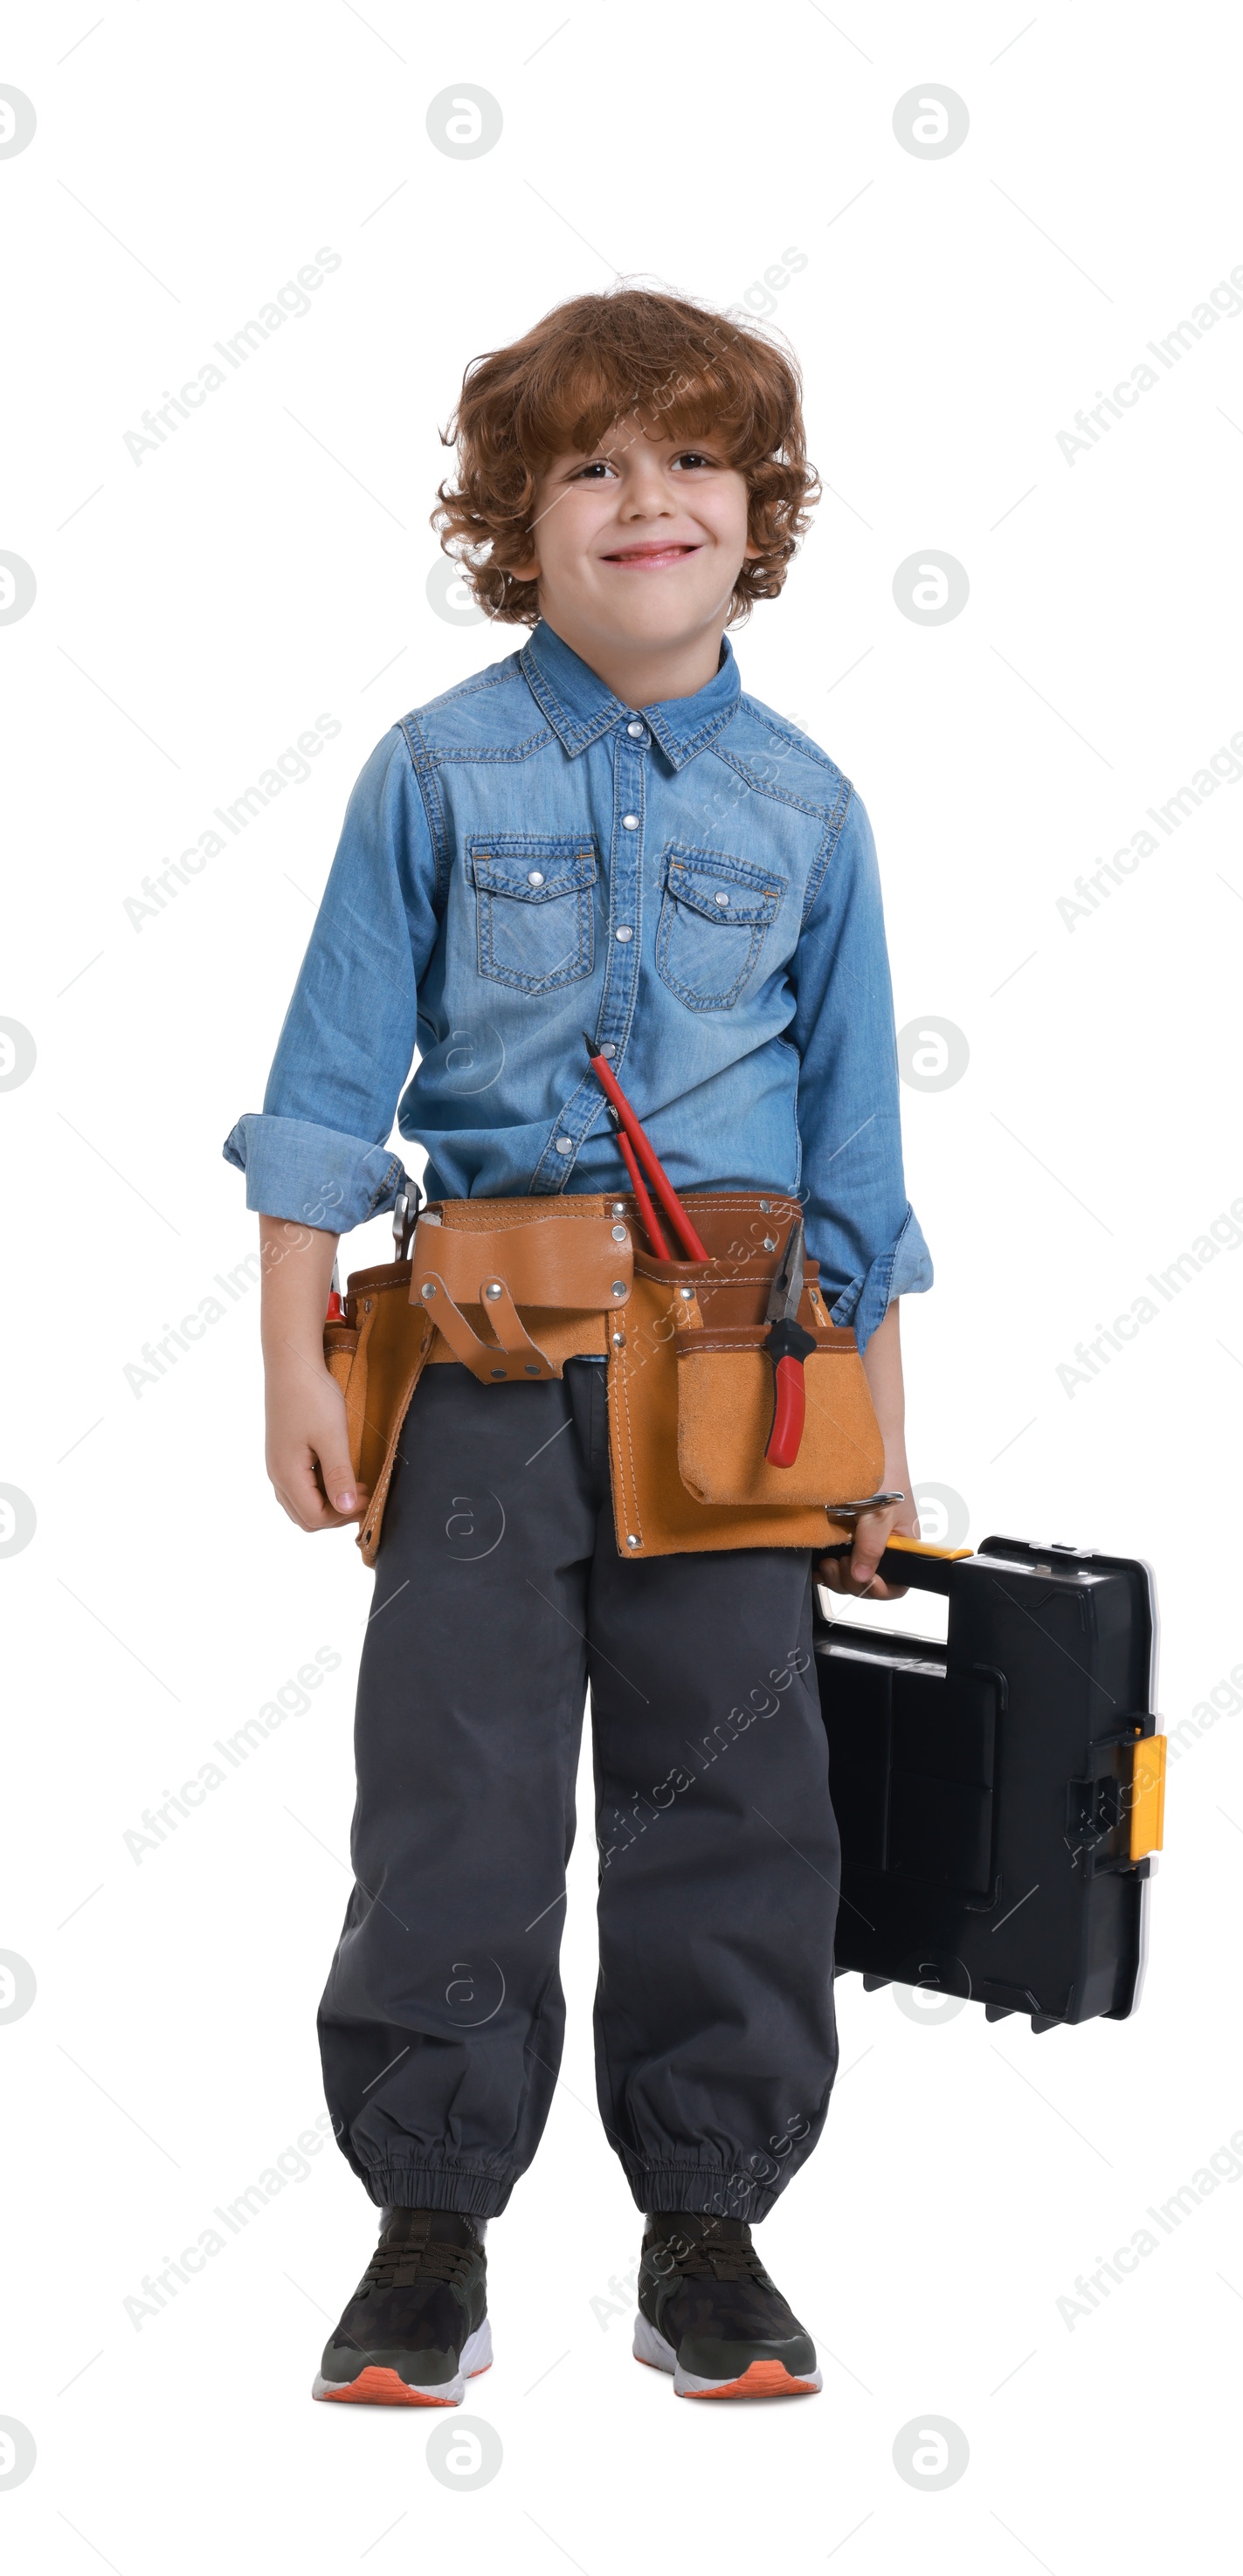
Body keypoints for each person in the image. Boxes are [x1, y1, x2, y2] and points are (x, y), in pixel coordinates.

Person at [224, 286, 931, 2406]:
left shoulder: (810, 810)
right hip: (483, 1379)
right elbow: (327, 1088)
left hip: (742, 1389)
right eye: (591, 466)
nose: (648, 499)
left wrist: (880, 1449)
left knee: (740, 1803)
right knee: (454, 1795)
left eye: (693, 459)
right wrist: (286, 1362)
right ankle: (425, 2219)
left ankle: (705, 2225)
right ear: (513, 528)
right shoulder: (429, 770)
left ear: (757, 513)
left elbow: (858, 1157)